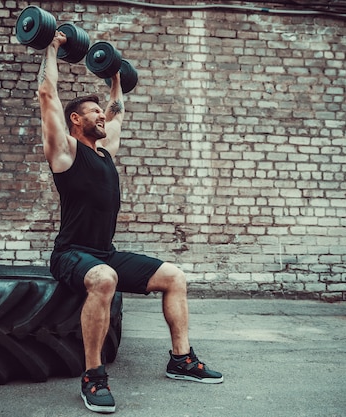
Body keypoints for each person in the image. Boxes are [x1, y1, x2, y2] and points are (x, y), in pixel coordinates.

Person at [37, 31, 223, 414]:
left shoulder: (105, 152)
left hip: (105, 252)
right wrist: (53, 46)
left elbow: (118, 109)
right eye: (93, 112)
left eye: (100, 111)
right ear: (75, 120)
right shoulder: (65, 152)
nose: (101, 115)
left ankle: (181, 359)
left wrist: (116, 76)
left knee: (174, 276)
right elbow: (46, 95)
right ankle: (93, 376)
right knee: (105, 277)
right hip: (72, 254)